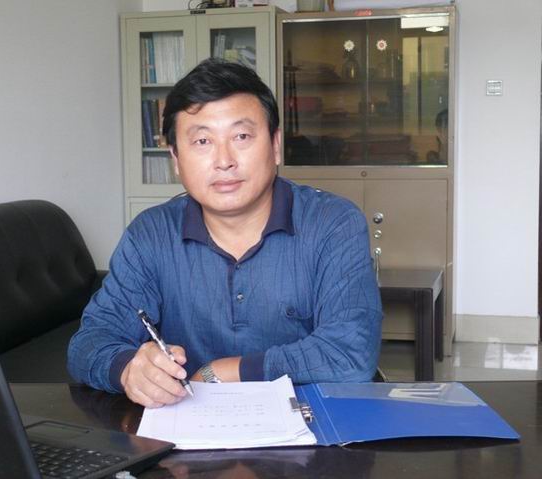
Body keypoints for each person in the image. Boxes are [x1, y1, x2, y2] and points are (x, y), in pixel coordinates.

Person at [68, 58, 382, 408]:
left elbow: (351, 351)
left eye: (241, 136)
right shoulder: (151, 234)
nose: (224, 160)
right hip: (187, 429)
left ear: (275, 145)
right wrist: (129, 369)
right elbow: (89, 342)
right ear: (175, 158)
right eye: (202, 141)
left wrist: (224, 371)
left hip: (309, 425)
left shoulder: (332, 223)